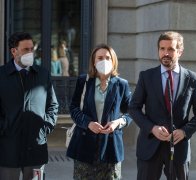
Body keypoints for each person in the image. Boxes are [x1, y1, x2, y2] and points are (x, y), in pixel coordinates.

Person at [129, 31, 196, 180]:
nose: (166, 53)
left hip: (178, 148)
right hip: (150, 146)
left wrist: (184, 132)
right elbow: (134, 108)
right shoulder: (146, 76)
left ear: (180, 52)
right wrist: (152, 128)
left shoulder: (192, 78)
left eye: (170, 49)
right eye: (162, 49)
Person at [67, 44, 132, 179]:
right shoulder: (83, 81)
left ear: (113, 61)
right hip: (84, 145)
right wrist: (88, 123)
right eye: (100, 58)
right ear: (94, 61)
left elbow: (131, 112)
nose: (104, 61)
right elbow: (74, 108)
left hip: (111, 148)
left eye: (108, 58)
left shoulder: (121, 84)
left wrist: (118, 123)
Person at [0, 32, 59, 180]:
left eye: (32, 49)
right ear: (14, 51)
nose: (30, 52)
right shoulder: (1, 75)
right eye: (26, 49)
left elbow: (53, 105)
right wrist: (4, 127)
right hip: (8, 148)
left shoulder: (42, 74)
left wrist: (45, 127)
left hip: (36, 148)